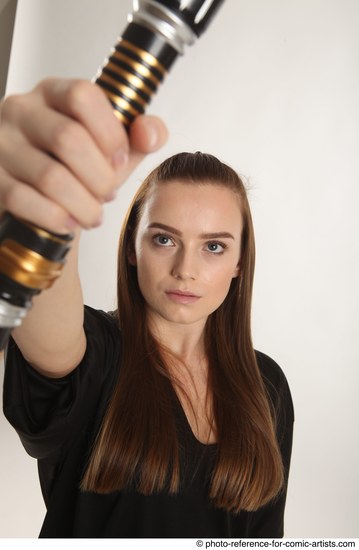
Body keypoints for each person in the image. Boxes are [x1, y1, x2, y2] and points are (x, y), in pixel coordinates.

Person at [0, 79, 294, 538]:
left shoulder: (268, 385)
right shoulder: (97, 357)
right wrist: (49, 208)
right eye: (164, 239)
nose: (185, 269)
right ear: (133, 248)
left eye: (213, 246)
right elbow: (41, 302)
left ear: (239, 264)